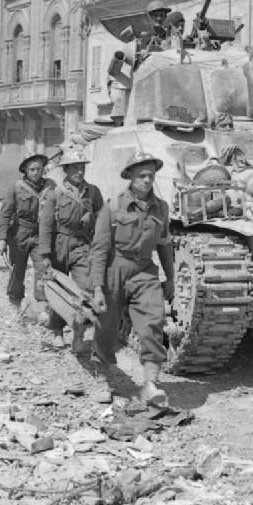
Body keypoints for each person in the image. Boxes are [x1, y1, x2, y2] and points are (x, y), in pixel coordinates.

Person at [89, 152, 175, 406]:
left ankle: (150, 384)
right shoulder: (114, 206)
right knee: (107, 325)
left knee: (153, 322)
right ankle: (103, 377)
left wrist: (169, 278)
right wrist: (96, 288)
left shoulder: (161, 208)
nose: (148, 181)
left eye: (151, 176)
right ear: (130, 178)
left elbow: (165, 245)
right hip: (115, 267)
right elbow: (100, 249)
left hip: (144, 270)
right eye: (142, 176)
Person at [38, 149, 103, 349]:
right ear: (66, 170)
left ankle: (78, 335)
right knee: (59, 291)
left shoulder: (93, 192)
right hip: (59, 245)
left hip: (81, 245)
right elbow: (46, 225)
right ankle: (57, 332)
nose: (79, 172)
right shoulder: (55, 194)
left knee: (84, 291)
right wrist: (45, 255)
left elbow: (102, 218)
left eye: (82, 167)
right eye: (75, 168)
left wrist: (92, 219)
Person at [0, 153, 54, 315]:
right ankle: (15, 300)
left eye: (39, 169)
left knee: (43, 269)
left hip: (40, 235)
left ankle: (41, 305)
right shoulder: (16, 187)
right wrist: (2, 238)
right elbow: (5, 214)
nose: (36, 172)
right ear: (26, 170)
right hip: (19, 235)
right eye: (32, 169)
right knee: (17, 270)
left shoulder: (51, 187)